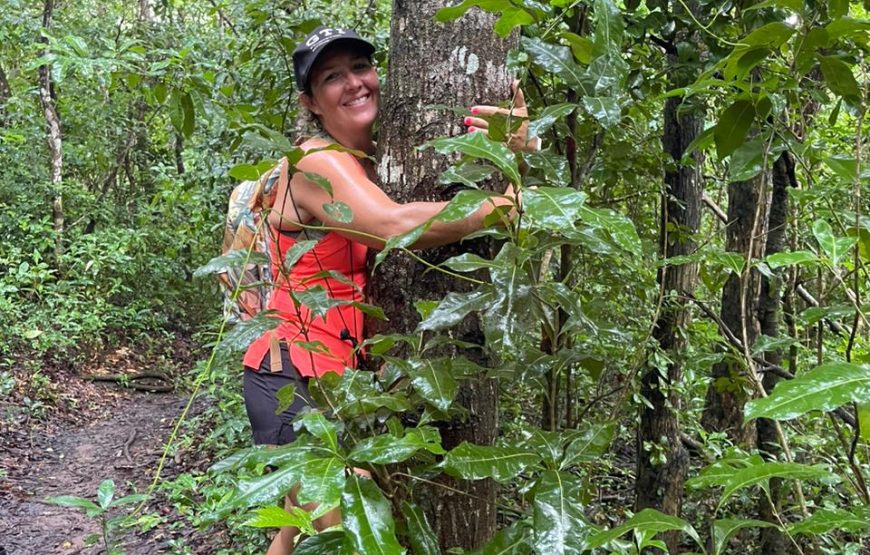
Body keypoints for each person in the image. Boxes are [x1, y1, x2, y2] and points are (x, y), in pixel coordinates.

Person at [241, 25, 536, 555]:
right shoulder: (314, 164)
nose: (354, 83)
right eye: (333, 77)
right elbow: (392, 224)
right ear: (310, 102)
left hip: (340, 380)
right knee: (340, 525)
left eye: (361, 67)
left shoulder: (372, 161)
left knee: (296, 532)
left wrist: (518, 146)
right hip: (291, 374)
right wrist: (502, 205)